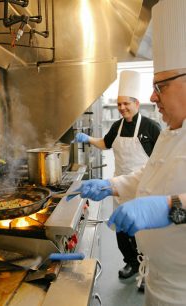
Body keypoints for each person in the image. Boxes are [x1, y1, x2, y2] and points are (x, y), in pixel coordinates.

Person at [76, 0, 186, 303]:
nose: (152, 96)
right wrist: (112, 185)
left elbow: (172, 200)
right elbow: (150, 174)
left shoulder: (152, 125)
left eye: (160, 85)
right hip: (157, 279)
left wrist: (167, 207)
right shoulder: (173, 131)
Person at [74, 70, 162, 280]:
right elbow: (105, 143)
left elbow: (160, 162)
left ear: (137, 103)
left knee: (144, 233)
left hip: (144, 188)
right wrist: (88, 139)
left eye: (126, 104)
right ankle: (130, 263)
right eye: (119, 104)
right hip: (118, 187)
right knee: (122, 230)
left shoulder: (151, 127)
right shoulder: (117, 126)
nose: (122, 108)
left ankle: (147, 271)